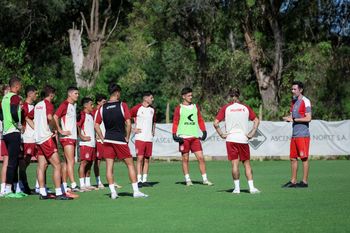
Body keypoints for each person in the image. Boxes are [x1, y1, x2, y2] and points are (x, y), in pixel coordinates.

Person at [95, 83, 148, 199]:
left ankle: (113, 192)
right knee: (130, 164)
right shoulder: (122, 105)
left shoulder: (102, 108)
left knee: (109, 166)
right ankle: (136, 191)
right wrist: (127, 137)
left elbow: (96, 125)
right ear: (117, 92)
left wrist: (102, 138)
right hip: (120, 140)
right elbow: (128, 123)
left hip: (108, 140)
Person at [213, 88, 260, 194]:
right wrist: (252, 132)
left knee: (235, 164)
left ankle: (237, 188)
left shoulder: (226, 108)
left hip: (230, 139)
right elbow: (256, 120)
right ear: (239, 95)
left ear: (230, 96)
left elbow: (215, 123)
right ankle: (251, 188)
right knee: (246, 164)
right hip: (243, 139)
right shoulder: (245, 107)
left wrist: (221, 134)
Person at [34, 85, 73, 200]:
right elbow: (51, 118)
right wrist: (57, 129)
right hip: (46, 138)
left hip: (38, 139)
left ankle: (43, 193)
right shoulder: (48, 104)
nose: (54, 96)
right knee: (57, 165)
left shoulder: (37, 105)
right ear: (51, 94)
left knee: (42, 166)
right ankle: (59, 193)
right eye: (53, 94)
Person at [172, 87, 213, 186]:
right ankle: (188, 180)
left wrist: (204, 131)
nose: (191, 97)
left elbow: (200, 120)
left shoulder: (195, 107)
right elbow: (175, 122)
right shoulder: (179, 108)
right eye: (189, 95)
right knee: (185, 159)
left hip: (195, 137)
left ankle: (205, 179)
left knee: (201, 158)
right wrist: (174, 134)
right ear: (183, 96)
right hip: (183, 137)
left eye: (191, 95)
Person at [1, 76, 27, 198]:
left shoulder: (4, 98)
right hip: (13, 132)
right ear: (16, 86)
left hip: (6, 132)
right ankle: (7, 190)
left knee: (14, 160)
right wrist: (18, 124)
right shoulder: (14, 97)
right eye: (20, 86)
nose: (21, 88)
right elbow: (12, 111)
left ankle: (15, 189)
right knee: (12, 162)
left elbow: (2, 115)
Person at [282, 81, 312, 188]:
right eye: (292, 89)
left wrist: (294, 119)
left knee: (304, 158)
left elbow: (309, 118)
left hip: (303, 135)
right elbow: (292, 117)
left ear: (301, 90)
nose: (292, 91)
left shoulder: (306, 101)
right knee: (293, 158)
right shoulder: (293, 101)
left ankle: (304, 182)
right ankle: (293, 181)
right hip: (294, 135)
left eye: (295, 89)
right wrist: (288, 118)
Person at [92, 94, 122, 189]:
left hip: (108, 139)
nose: (105, 104)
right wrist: (99, 136)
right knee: (98, 161)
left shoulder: (106, 111)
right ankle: (98, 181)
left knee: (110, 161)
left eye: (105, 102)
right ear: (98, 102)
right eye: (103, 102)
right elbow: (95, 124)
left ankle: (112, 181)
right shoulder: (98, 111)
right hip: (100, 140)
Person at [54, 86, 79, 193]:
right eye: (76, 94)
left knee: (68, 162)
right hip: (67, 138)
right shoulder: (64, 105)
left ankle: (64, 184)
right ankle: (73, 184)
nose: (77, 95)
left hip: (72, 137)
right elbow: (55, 117)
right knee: (71, 161)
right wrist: (60, 130)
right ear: (70, 94)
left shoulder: (73, 105)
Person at [130, 91, 156, 187]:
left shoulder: (152, 109)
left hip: (149, 138)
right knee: (139, 158)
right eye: (151, 97)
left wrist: (153, 131)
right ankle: (139, 180)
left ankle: (145, 180)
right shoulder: (136, 108)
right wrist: (132, 129)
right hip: (140, 138)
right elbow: (126, 119)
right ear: (146, 98)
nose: (152, 99)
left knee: (146, 159)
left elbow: (154, 122)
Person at [19, 85, 38, 194]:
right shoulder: (23, 106)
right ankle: (22, 186)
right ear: (29, 94)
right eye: (35, 93)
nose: (36, 95)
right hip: (26, 138)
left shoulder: (34, 106)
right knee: (24, 162)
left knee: (29, 162)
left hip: (33, 138)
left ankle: (38, 186)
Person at [77, 97, 97, 191]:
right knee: (83, 163)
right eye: (91, 104)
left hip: (92, 144)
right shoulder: (82, 114)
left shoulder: (91, 115)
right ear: (85, 105)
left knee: (90, 163)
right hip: (85, 144)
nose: (92, 106)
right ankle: (82, 185)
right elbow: (78, 125)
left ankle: (88, 184)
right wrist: (81, 136)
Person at [0, 84, 10, 196]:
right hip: (5, 136)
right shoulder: (3, 103)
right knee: (6, 162)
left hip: (9, 135)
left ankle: (11, 187)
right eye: (6, 91)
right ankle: (3, 189)